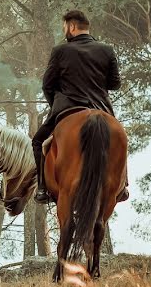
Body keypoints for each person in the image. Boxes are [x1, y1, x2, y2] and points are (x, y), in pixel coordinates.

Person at [33, 10, 122, 203]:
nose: (65, 30)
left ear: (72, 27)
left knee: (38, 142)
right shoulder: (107, 49)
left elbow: (47, 85)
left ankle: (42, 189)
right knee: (120, 141)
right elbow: (115, 84)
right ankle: (122, 186)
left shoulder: (60, 51)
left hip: (67, 109)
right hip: (101, 109)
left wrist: (55, 105)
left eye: (65, 27)